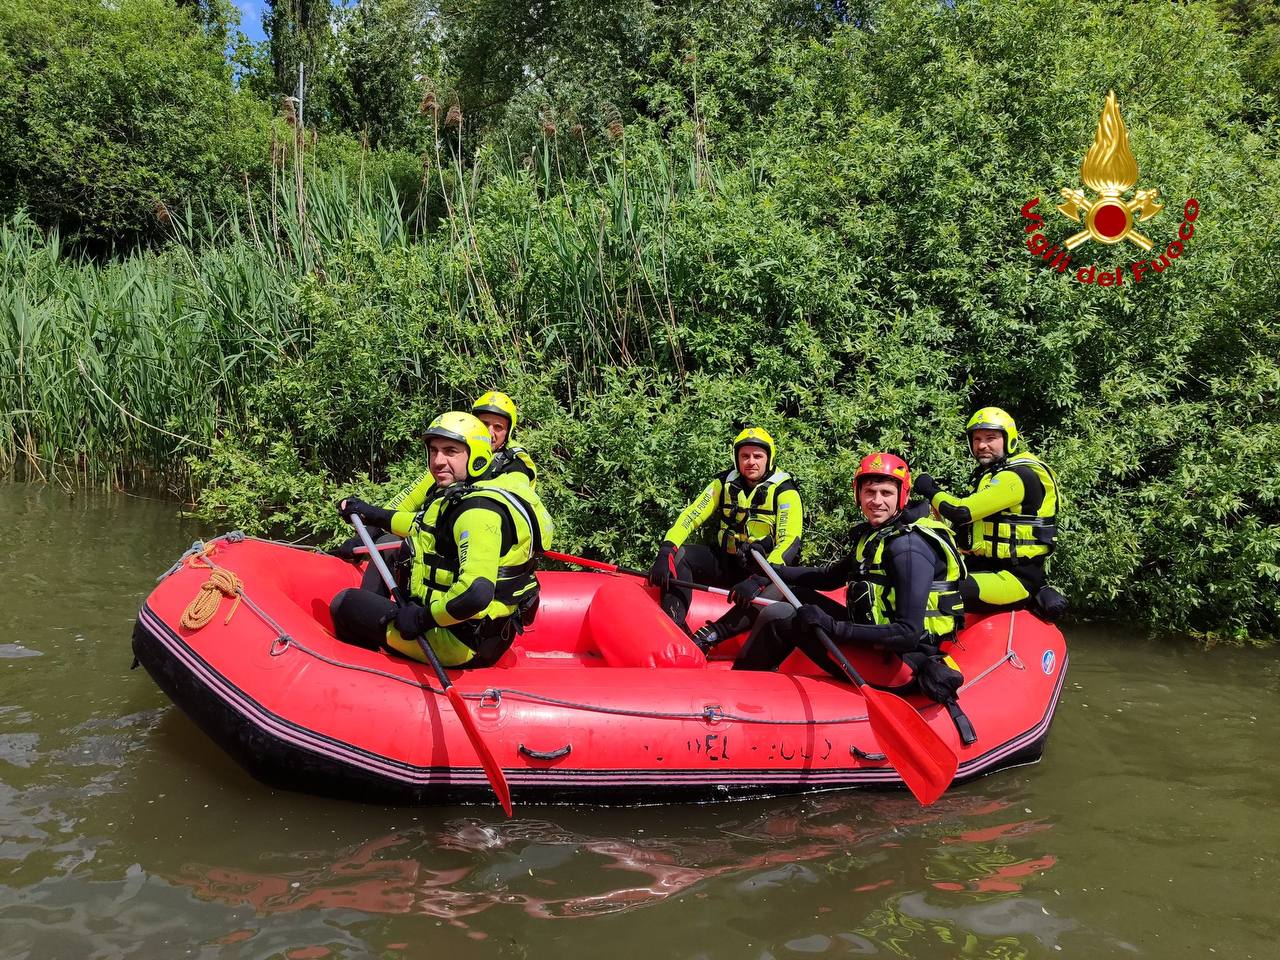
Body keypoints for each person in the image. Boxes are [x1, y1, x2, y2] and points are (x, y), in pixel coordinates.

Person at [731, 453, 974, 740]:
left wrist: (833, 627)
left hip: (904, 662)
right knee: (793, 596)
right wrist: (766, 572)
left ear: (902, 496)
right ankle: (745, 671)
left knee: (782, 619)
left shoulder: (908, 549)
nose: (877, 500)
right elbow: (828, 577)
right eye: (869, 492)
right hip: (875, 643)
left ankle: (736, 697)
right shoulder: (878, 535)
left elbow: (908, 633)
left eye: (886, 492)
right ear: (858, 495)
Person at [329, 411, 553, 668]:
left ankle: (371, 674)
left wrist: (423, 619)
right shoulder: (464, 495)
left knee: (345, 603)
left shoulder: (478, 511)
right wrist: (369, 513)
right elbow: (419, 526)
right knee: (398, 553)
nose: (438, 460)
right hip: (483, 635)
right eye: (433, 451)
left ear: (476, 456)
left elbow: (476, 594)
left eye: (450, 451)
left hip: (461, 643)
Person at [329, 390, 538, 581]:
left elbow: (434, 523)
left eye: (498, 427)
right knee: (388, 540)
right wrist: (363, 536)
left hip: (481, 553)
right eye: (484, 424)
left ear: (508, 432)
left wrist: (373, 514)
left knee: (396, 543)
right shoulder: (451, 460)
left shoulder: (515, 467)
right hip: (442, 539)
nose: (490, 432)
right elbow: (406, 501)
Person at [647, 427, 803, 650]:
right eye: (744, 456)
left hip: (763, 571)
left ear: (769, 458)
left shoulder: (785, 491)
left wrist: (759, 579)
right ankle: (673, 628)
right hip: (727, 562)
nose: (751, 462)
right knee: (682, 555)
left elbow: (789, 543)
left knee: (780, 588)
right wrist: (666, 550)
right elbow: (691, 516)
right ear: (736, 458)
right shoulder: (723, 483)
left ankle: (711, 635)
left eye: (757, 456)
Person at [912, 407, 1067, 621]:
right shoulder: (993, 475)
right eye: (976, 439)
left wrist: (929, 489)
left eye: (990, 438)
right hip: (984, 567)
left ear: (1008, 439)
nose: (982, 445)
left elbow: (961, 511)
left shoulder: (1017, 476)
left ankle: (922, 651)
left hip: (1014, 578)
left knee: (934, 590)